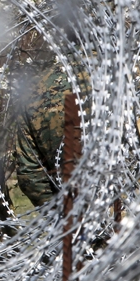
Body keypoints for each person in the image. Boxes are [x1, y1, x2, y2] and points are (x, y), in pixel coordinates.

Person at [13, 61, 90, 207]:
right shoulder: (129, 74)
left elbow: (30, 174)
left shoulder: (34, 90)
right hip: (134, 212)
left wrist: (60, 218)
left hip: (74, 213)